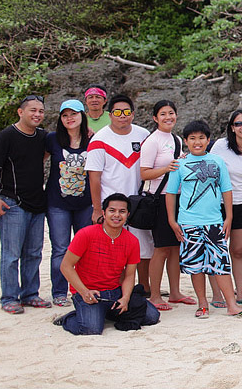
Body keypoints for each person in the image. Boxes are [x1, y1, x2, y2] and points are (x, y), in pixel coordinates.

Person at [165, 120, 242, 319]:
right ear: (186, 141)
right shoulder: (179, 163)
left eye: (201, 138)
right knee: (196, 266)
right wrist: (172, 220)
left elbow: (226, 189)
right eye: (192, 138)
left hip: (214, 221)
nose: (197, 142)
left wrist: (228, 216)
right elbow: (170, 193)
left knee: (221, 263)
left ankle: (232, 304)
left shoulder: (217, 161)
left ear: (208, 140)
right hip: (188, 222)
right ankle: (202, 304)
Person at [54, 193, 161, 334]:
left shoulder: (132, 241)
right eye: (112, 211)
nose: (117, 215)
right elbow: (66, 266)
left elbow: (129, 275)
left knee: (152, 316)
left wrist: (125, 298)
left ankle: (101, 314)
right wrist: (84, 292)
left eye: (122, 211)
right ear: (103, 213)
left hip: (115, 292)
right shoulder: (86, 234)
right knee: (91, 328)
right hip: (89, 292)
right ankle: (71, 318)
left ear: (128, 214)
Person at [0, 94, 50, 313]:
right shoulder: (7, 136)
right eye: (32, 110)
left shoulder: (42, 136)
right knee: (11, 254)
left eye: (40, 111)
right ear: (20, 112)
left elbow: (57, 145)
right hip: (11, 203)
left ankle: (30, 294)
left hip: (37, 202)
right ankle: (9, 297)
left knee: (34, 253)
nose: (37, 115)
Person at [85, 94, 153, 292]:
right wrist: (97, 209)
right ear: (110, 114)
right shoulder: (99, 139)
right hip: (112, 204)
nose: (122, 116)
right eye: (117, 112)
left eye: (126, 112)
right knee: (116, 249)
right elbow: (94, 177)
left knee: (144, 246)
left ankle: (144, 286)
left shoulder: (143, 135)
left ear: (132, 114)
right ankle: (119, 287)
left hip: (139, 202)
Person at [139, 99, 193, 311]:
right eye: (163, 114)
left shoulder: (177, 139)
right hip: (159, 199)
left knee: (175, 248)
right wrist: (165, 169)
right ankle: (154, 294)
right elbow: (144, 173)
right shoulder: (152, 141)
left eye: (171, 113)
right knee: (160, 248)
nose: (168, 117)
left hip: (177, 197)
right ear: (155, 118)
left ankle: (175, 292)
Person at [209, 109, 242, 309]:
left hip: (241, 204)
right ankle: (217, 294)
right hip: (217, 205)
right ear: (232, 127)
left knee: (238, 250)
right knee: (217, 250)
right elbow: (209, 171)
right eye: (238, 124)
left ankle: (240, 292)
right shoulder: (221, 146)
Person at [45, 99, 94, 308]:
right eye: (65, 115)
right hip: (57, 203)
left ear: (82, 115)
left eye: (73, 114)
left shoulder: (92, 139)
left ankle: (83, 289)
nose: (69, 118)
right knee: (60, 248)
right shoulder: (52, 139)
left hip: (86, 202)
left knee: (86, 248)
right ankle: (59, 292)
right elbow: (37, 160)